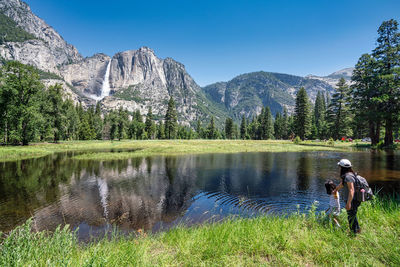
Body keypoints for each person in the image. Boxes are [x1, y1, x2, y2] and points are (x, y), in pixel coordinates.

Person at [333, 159, 361, 234]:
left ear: (342, 168)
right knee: (353, 215)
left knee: (351, 216)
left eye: (340, 167)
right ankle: (357, 230)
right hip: (352, 199)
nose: (339, 168)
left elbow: (351, 190)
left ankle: (353, 233)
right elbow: (342, 184)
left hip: (353, 200)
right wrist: (336, 190)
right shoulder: (349, 175)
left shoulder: (348, 176)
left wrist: (349, 203)